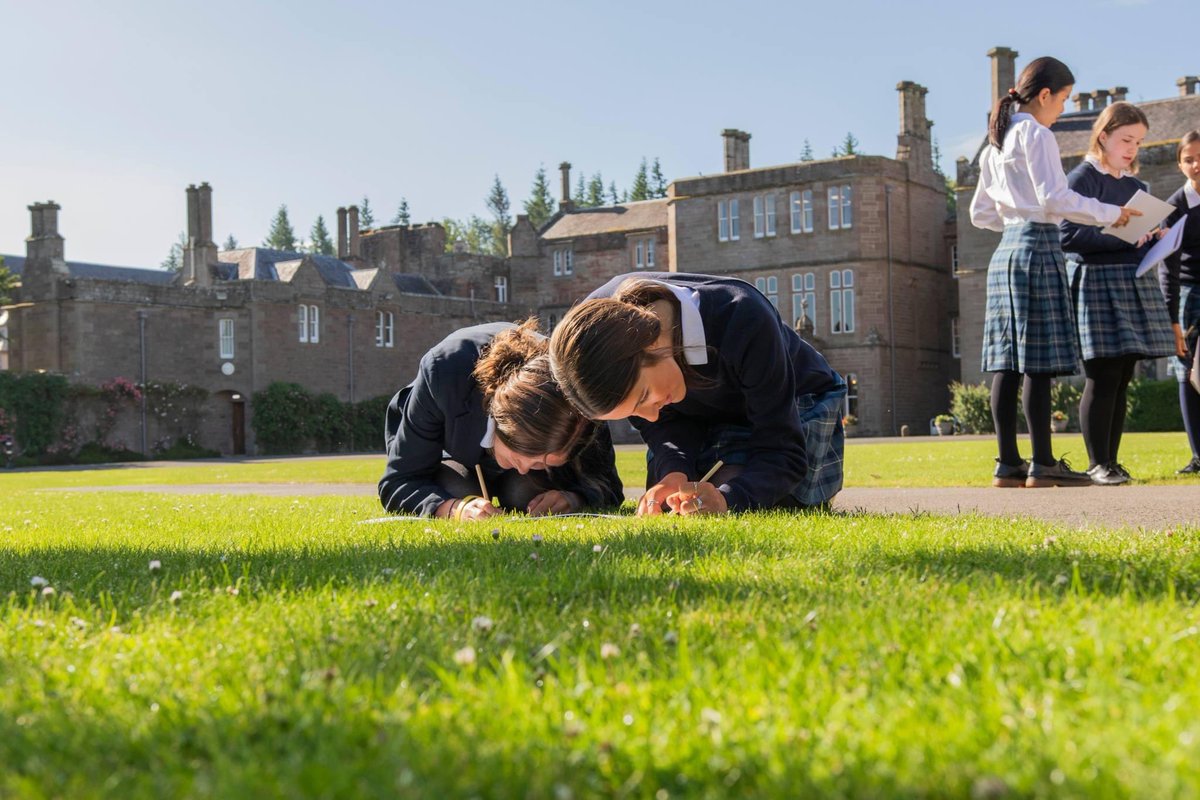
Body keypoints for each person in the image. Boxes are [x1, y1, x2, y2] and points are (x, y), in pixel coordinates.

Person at [969, 56, 1140, 488]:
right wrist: (1112, 213)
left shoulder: (995, 139)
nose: (1063, 108)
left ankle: (1008, 463)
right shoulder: (1036, 133)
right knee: (1038, 361)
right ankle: (1043, 462)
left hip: (1006, 249)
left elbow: (979, 213)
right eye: (1062, 99)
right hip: (1038, 246)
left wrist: (1015, 221)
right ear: (1044, 95)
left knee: (1006, 362)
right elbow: (1056, 197)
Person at [548, 272, 846, 516]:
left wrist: (729, 499)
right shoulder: (588, 338)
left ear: (652, 345)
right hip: (706, 413)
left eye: (643, 397)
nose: (650, 415)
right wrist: (674, 471)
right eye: (633, 414)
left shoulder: (742, 315)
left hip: (798, 399)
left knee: (749, 492)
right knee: (675, 502)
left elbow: (782, 450)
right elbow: (664, 425)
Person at [378, 320, 624, 519]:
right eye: (520, 454)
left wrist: (574, 497)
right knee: (459, 491)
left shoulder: (580, 399)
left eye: (542, 464)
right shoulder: (443, 374)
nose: (525, 468)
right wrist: (450, 508)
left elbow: (608, 484)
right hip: (449, 445)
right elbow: (399, 481)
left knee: (523, 491)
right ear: (502, 421)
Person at [1060, 102, 1176, 485]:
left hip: (1131, 281)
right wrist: (1121, 238)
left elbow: (1131, 241)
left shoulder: (1136, 186)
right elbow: (1069, 235)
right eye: (1126, 139)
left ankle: (1112, 461)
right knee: (1102, 373)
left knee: (1124, 373)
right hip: (1095, 281)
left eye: (1139, 142)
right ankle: (1097, 464)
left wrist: (1150, 239)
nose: (1132, 149)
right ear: (1104, 135)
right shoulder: (1083, 178)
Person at [1159, 129, 1200, 475]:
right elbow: (1167, 268)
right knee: (1187, 374)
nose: (1197, 164)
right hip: (1189, 295)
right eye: (1189, 159)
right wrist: (1172, 321)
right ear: (1180, 164)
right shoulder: (1174, 207)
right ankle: (1198, 455)